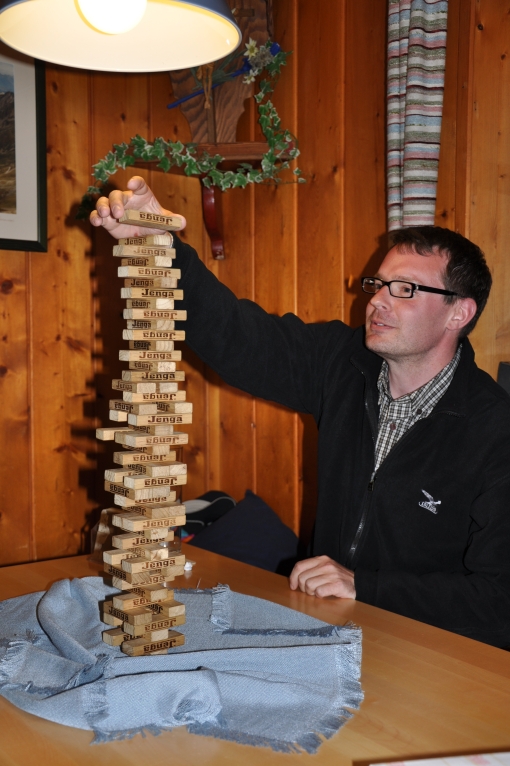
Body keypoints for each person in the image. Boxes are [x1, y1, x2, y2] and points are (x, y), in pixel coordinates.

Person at [91, 177, 510, 648]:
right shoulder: (342, 361)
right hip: (330, 629)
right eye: (378, 284)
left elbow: (499, 599)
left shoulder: (496, 431)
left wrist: (364, 586)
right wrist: (159, 246)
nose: (377, 300)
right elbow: (239, 336)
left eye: (405, 289)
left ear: (460, 314)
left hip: (440, 657)